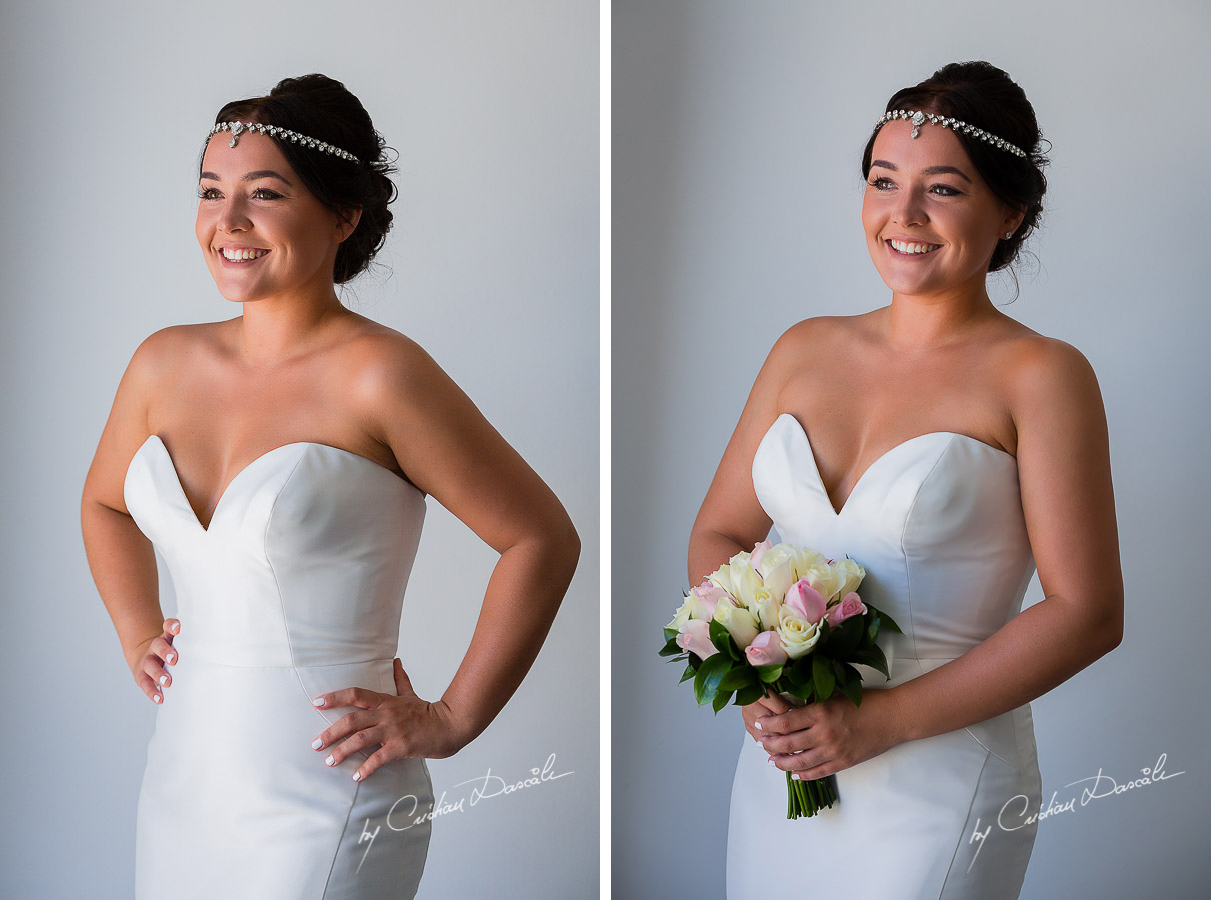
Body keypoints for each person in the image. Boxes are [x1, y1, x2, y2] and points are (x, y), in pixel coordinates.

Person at [79, 73, 580, 898]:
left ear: (343, 215)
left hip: (330, 789)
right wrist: (139, 633)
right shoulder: (160, 363)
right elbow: (106, 504)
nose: (227, 223)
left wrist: (452, 719)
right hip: (181, 782)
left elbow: (541, 539)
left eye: (264, 194)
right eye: (211, 192)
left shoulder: (382, 375)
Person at [687, 61, 1123, 899]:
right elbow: (719, 531)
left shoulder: (1042, 375)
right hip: (783, 766)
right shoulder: (801, 348)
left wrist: (878, 723)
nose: (903, 214)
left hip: (937, 773)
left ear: (1011, 211)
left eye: (944, 189)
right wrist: (751, 671)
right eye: (883, 180)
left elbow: (1087, 613)